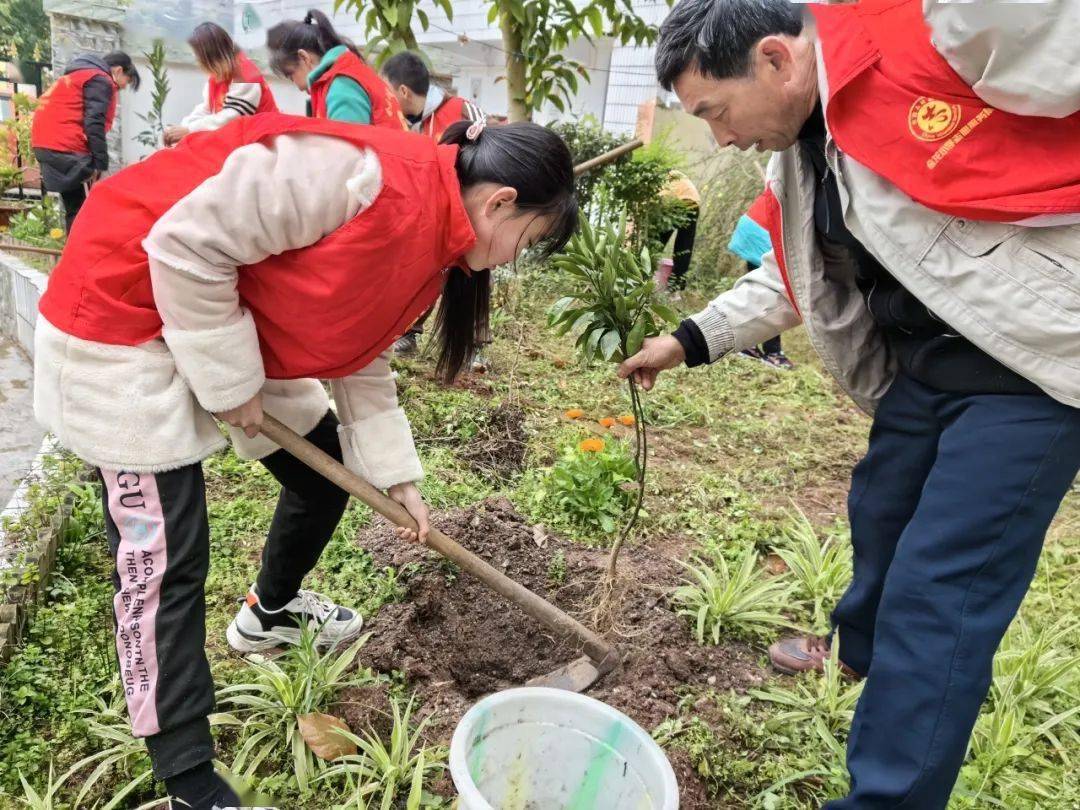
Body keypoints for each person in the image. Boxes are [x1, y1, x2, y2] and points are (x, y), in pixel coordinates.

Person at [33, 113, 576, 809]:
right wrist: (229, 387)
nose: (509, 260)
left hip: (230, 313)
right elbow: (184, 244)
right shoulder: (357, 178)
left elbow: (362, 348)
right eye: (523, 242)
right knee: (166, 562)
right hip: (123, 310)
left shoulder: (434, 240)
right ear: (500, 201)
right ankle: (188, 777)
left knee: (322, 472)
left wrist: (397, 478)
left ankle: (270, 612)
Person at [618, 1, 1080, 807]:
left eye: (715, 112)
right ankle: (857, 651)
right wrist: (687, 339)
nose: (719, 137)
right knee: (880, 509)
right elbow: (790, 276)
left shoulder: (930, 43)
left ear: (776, 60)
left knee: (940, 592)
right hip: (927, 370)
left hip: (1029, 371)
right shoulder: (806, 153)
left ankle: (887, 796)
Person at [380, 50, 485, 358]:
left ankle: (475, 344)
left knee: (471, 276)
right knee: (422, 271)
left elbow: (489, 154)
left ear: (402, 90)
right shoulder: (399, 123)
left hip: (467, 215)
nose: (384, 98)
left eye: (387, 89)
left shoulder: (462, 110)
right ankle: (408, 333)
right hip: (425, 216)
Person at [30, 51, 140, 232]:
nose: (119, 91)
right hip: (67, 148)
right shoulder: (100, 80)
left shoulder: (78, 75)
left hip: (48, 145)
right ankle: (81, 258)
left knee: (75, 208)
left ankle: (74, 256)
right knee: (85, 211)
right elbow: (94, 123)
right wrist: (100, 166)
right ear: (119, 70)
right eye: (124, 85)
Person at [266, 9, 406, 129]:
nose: (298, 86)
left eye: (291, 75)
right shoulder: (350, 71)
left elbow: (347, 155)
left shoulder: (342, 87)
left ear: (304, 57)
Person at [163, 22, 278, 146]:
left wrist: (189, 130)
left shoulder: (246, 75)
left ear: (211, 56)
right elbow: (207, 109)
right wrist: (182, 128)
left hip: (262, 140)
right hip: (239, 139)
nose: (198, 61)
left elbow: (232, 118)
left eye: (198, 57)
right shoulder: (219, 75)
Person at [729, 190, 793, 370]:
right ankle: (772, 353)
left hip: (755, 230)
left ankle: (749, 345)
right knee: (771, 293)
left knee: (759, 291)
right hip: (761, 235)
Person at [654, 169, 700, 293]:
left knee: (656, 242)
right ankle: (675, 288)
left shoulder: (655, 177)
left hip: (676, 203)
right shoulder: (670, 173)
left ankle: (645, 275)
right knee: (684, 247)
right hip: (693, 203)